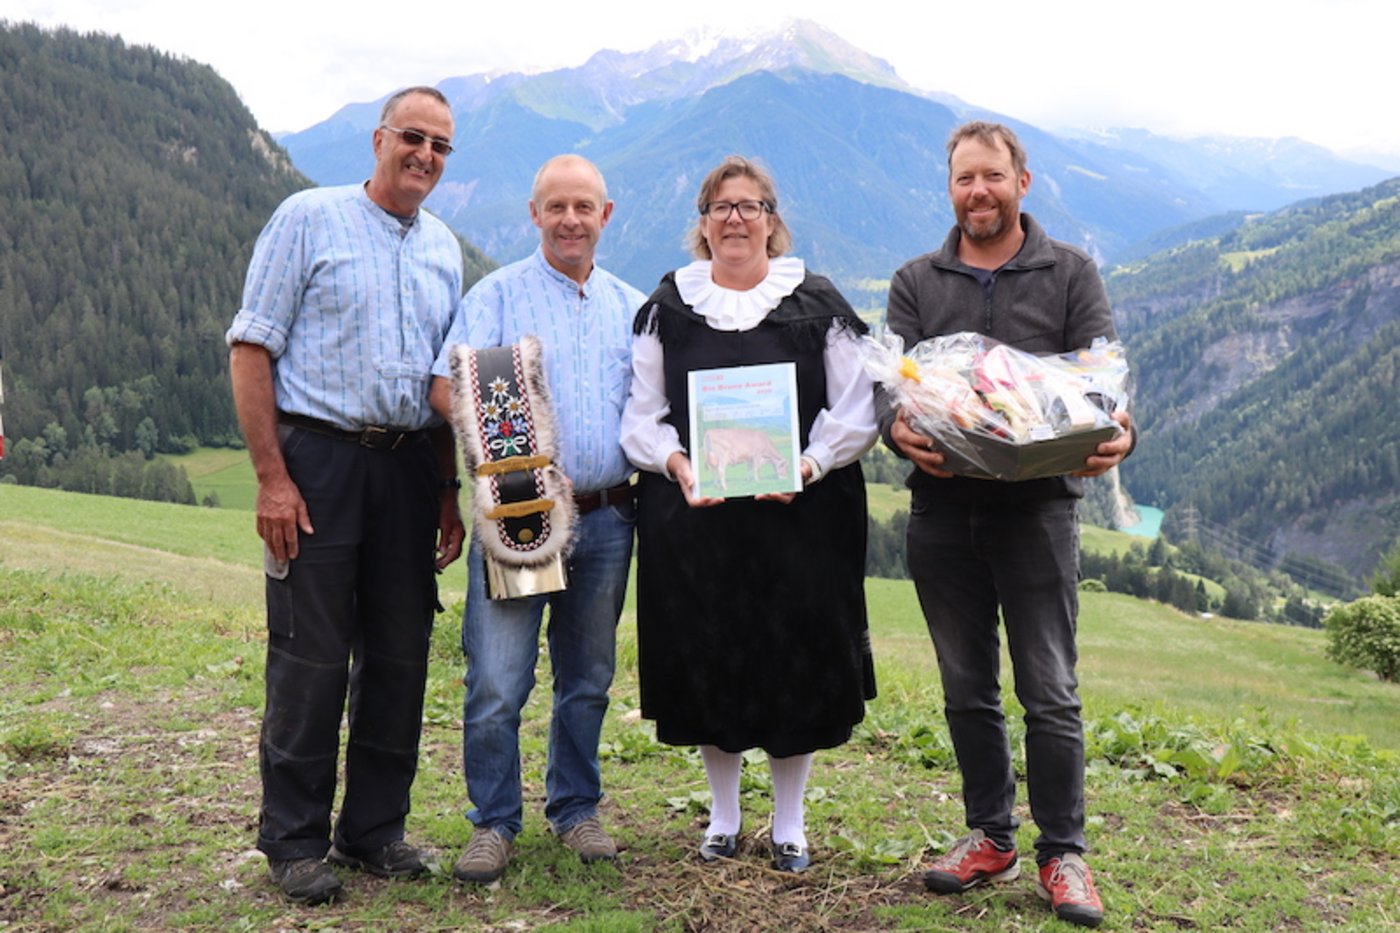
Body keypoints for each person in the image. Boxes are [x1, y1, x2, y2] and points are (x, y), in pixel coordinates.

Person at [880, 121, 1134, 929]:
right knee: (966, 688)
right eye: (964, 179)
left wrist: (1121, 432)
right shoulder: (916, 280)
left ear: (1022, 180)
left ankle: (1064, 852)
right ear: (950, 188)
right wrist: (898, 430)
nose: (978, 191)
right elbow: (893, 390)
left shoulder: (1071, 272)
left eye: (992, 175)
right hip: (943, 510)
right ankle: (991, 836)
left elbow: (1102, 382)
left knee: (1049, 690)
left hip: (1039, 511)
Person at [227, 86, 466, 906]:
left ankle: (373, 829)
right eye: (413, 137)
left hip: (408, 466)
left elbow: (441, 379)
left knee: (400, 654)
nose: (425, 155)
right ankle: (293, 840)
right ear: (379, 139)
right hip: (317, 460)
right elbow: (251, 347)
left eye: (440, 145)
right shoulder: (308, 218)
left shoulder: (443, 248)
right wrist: (272, 478)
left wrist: (447, 489)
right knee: (312, 655)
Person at [620, 155, 877, 873]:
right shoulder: (669, 307)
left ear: (771, 219)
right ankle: (724, 815)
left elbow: (855, 411)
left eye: (749, 205)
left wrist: (807, 464)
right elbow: (642, 417)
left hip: (803, 516)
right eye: (720, 207)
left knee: (795, 657)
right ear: (702, 224)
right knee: (712, 653)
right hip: (696, 517)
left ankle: (789, 822)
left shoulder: (818, 304)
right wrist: (678, 464)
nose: (735, 218)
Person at [428, 154, 645, 884]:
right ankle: (493, 821)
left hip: (608, 517)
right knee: (497, 680)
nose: (570, 220)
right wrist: (513, 446)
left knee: (587, 677)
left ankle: (575, 807)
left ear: (605, 215)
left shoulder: (632, 307)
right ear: (535, 214)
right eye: (556, 206)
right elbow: (442, 388)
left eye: (584, 207)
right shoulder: (496, 296)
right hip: (521, 513)